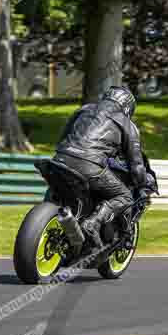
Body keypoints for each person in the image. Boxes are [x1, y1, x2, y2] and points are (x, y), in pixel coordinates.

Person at [53, 86, 146, 249]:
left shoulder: (83, 110)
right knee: (125, 196)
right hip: (89, 166)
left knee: (58, 186)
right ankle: (93, 223)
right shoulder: (128, 125)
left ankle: (54, 215)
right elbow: (137, 166)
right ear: (128, 107)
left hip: (59, 159)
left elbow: (62, 139)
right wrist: (141, 183)